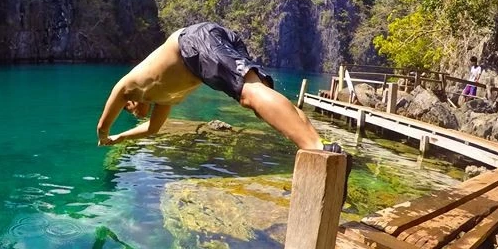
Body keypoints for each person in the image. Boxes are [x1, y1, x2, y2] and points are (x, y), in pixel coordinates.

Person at [96, 21, 344, 157]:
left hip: (193, 42)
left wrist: (103, 135)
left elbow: (104, 120)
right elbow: (152, 129)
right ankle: (322, 144)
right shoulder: (162, 98)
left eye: (129, 111)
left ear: (130, 102)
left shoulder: (129, 86)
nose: (135, 114)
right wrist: (120, 138)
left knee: (249, 95)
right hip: (204, 44)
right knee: (259, 97)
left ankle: (315, 148)